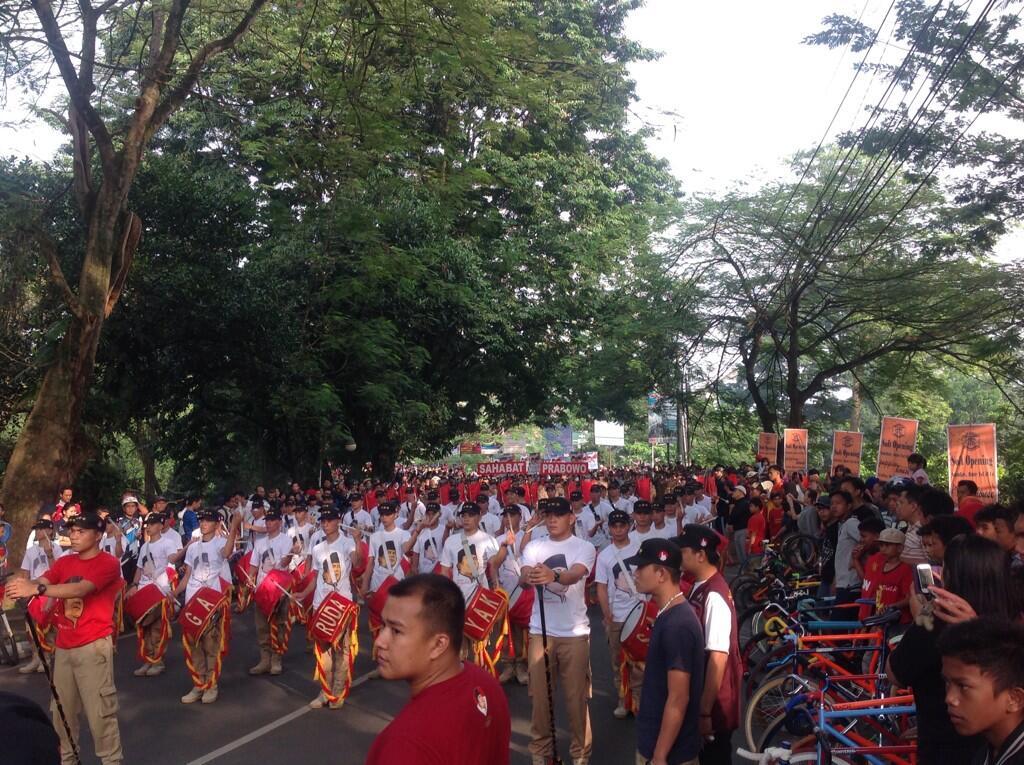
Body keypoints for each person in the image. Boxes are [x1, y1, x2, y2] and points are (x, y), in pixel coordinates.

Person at [888, 534, 1020, 764]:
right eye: (948, 683)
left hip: (945, 749)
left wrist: (922, 617)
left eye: (963, 685)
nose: (952, 698)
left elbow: (895, 672)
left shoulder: (936, 622)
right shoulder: (1013, 617)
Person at [5, 512, 124, 765]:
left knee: (100, 715)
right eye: (71, 530)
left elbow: (81, 589)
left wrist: (37, 588)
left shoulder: (108, 563)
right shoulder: (65, 562)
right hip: (64, 646)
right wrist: (21, 583)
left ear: (98, 535)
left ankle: (112, 761)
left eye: (81, 531)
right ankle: (67, 761)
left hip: (93, 646)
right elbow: (43, 580)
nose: (74, 535)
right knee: (62, 715)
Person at [366, 574, 511, 765]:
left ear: (438, 645)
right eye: (383, 625)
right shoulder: (487, 685)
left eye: (396, 630)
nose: (379, 641)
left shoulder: (405, 745)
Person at [520, 495, 598, 765]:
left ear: (571, 517)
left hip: (574, 634)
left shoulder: (584, 547)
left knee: (576, 699)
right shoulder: (534, 545)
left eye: (559, 515)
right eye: (548, 515)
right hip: (539, 630)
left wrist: (553, 576)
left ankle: (580, 753)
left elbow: (574, 575)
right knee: (540, 699)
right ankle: (540, 752)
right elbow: (524, 573)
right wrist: (530, 575)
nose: (552, 520)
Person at [626, 538, 704, 765]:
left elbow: (679, 698)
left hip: (670, 753)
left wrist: (660, 755)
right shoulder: (668, 614)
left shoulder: (677, 625)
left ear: (661, 574)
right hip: (656, 742)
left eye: (641, 567)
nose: (636, 573)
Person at [677, 525, 741, 765]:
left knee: (715, 757)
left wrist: (704, 711)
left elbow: (717, 657)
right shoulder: (700, 586)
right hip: (705, 695)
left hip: (715, 703)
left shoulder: (714, 593)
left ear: (701, 555)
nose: (678, 556)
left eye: (683, 551)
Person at [300, 506, 364, 709]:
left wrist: (357, 540)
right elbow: (317, 576)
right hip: (321, 603)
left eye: (329, 520)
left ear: (338, 521)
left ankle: (338, 690)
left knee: (342, 649)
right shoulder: (318, 548)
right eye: (323, 520)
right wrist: (304, 593)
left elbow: (357, 562)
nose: (325, 523)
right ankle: (325, 690)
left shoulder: (346, 543)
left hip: (341, 602)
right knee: (324, 650)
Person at [938, 617, 1024, 765]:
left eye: (963, 686)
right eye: (947, 683)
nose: (949, 698)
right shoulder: (987, 753)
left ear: (1014, 699)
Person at [595, 509, 644, 719]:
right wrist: (607, 614)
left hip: (641, 613)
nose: (618, 530)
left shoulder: (640, 549)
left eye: (622, 526)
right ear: (609, 529)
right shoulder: (604, 556)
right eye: (614, 526)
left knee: (641, 660)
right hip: (618, 616)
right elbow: (601, 587)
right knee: (618, 660)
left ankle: (640, 699)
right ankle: (623, 698)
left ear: (628, 526)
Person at [247, 507, 298, 676]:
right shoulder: (260, 542)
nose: (268, 524)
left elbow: (285, 561)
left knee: (279, 623)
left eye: (272, 521)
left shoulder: (285, 540)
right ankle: (264, 659)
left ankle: (276, 658)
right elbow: (254, 564)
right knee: (261, 625)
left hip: (279, 587)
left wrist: (288, 556)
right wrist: (250, 577)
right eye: (267, 521)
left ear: (279, 522)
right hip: (263, 587)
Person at [128, 512, 179, 676]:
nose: (148, 527)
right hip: (144, 589)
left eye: (151, 524)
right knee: (144, 627)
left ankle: (158, 661)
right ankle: (148, 659)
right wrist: (135, 584)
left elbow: (173, 558)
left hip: (159, 589)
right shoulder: (145, 546)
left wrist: (187, 546)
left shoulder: (168, 543)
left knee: (157, 628)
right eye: (147, 525)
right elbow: (139, 568)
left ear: (160, 525)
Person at [19, 518, 65, 673]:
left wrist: (50, 554)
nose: (38, 532)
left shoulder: (57, 548)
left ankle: (48, 657)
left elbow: (58, 572)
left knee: (49, 628)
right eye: (37, 529)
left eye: (41, 529)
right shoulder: (31, 550)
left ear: (50, 530)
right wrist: (24, 588)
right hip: (33, 592)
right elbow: (26, 572)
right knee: (31, 628)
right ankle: (36, 658)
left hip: (50, 591)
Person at [858, 528, 912, 622]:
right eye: (881, 545)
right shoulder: (879, 567)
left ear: (900, 548)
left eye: (887, 545)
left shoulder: (906, 569)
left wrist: (891, 607)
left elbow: (909, 598)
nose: (883, 549)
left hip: (898, 621)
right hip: (880, 619)